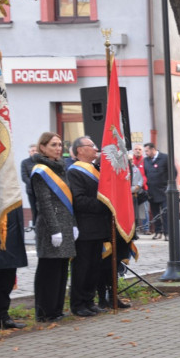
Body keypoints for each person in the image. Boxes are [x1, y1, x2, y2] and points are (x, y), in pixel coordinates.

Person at [30, 132, 76, 322]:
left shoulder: (60, 168)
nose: (58, 149)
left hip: (65, 222)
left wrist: (73, 224)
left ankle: (56, 309)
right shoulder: (40, 171)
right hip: (51, 226)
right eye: (53, 145)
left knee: (61, 268)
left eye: (59, 145)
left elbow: (69, 199)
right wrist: (55, 229)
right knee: (48, 269)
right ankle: (44, 311)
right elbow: (45, 203)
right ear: (42, 147)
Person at [67, 136, 112, 317]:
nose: (95, 149)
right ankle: (78, 304)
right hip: (85, 228)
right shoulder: (74, 171)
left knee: (94, 267)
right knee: (82, 268)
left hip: (99, 227)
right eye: (91, 146)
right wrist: (104, 205)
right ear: (80, 150)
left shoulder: (95, 168)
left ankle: (89, 301)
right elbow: (78, 200)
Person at [143, 142, 174, 238]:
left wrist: (168, 185)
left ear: (153, 149)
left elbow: (173, 172)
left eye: (147, 151)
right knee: (155, 213)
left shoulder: (165, 158)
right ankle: (158, 232)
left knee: (165, 213)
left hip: (164, 191)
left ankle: (167, 233)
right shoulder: (146, 160)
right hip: (152, 192)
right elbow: (144, 174)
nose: (146, 153)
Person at [131, 144, 149, 233]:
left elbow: (146, 175)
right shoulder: (130, 161)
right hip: (131, 190)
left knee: (144, 210)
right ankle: (135, 228)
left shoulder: (145, 161)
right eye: (136, 149)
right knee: (133, 210)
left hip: (142, 189)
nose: (138, 150)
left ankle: (146, 228)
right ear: (133, 150)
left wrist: (141, 185)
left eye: (139, 149)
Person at [20, 144, 38, 226]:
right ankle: (35, 229)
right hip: (31, 191)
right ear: (29, 152)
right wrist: (33, 184)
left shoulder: (43, 161)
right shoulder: (25, 162)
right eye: (33, 151)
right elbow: (24, 176)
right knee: (35, 211)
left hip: (43, 191)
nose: (35, 152)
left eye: (36, 150)